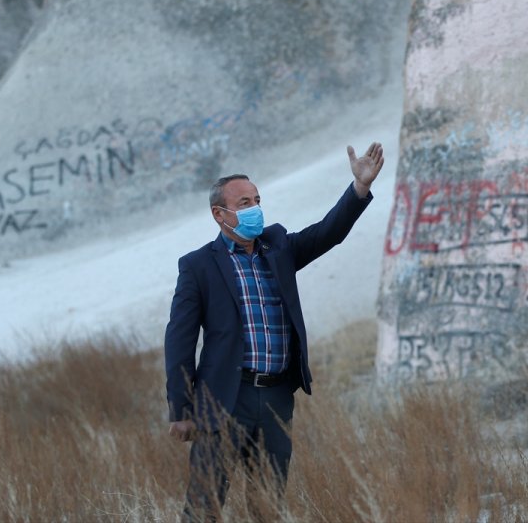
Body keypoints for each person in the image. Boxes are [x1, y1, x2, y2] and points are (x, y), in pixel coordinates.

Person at [164, 142, 384, 521]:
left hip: (277, 397)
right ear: (220, 214)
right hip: (222, 401)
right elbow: (179, 341)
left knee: (267, 506)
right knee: (204, 507)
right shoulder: (198, 266)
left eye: (257, 199)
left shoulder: (277, 245)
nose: (255, 208)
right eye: (245, 203)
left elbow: (326, 233)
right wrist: (181, 408)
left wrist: (358, 190)